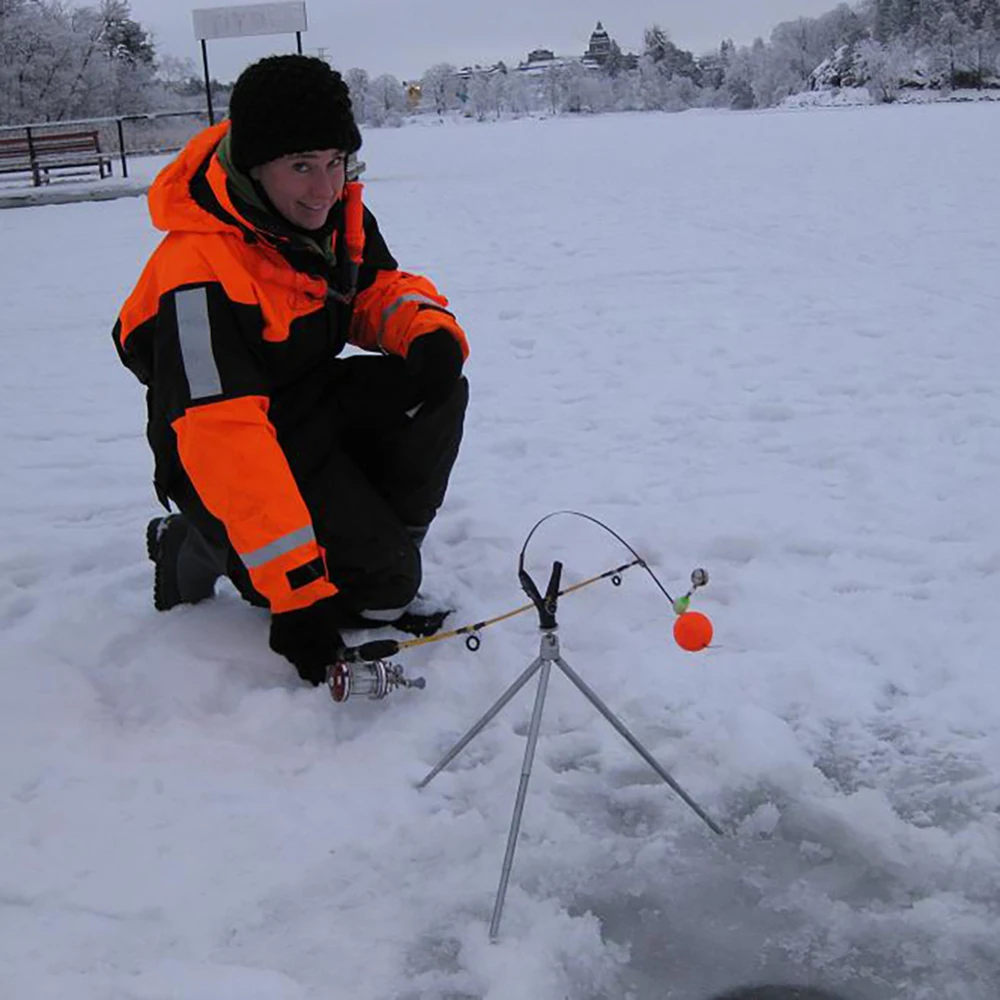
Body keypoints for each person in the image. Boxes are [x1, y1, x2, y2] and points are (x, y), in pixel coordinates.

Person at [112, 54, 469, 686]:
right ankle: (196, 538)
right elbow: (224, 438)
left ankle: (383, 551)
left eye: (335, 162)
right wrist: (298, 596)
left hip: (302, 406)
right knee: (378, 595)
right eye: (302, 166)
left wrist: (426, 331)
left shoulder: (329, 216)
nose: (325, 188)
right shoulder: (195, 272)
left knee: (438, 386)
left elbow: (374, 288)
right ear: (254, 166)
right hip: (213, 448)